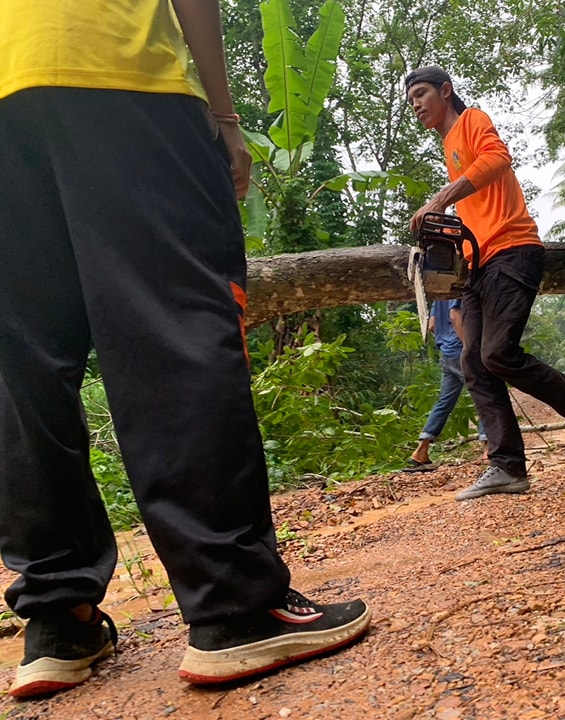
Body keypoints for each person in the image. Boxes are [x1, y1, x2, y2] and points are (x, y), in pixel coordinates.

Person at [0, 0, 370, 699]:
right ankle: (235, 609)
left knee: (21, 364)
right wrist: (224, 118)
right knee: (170, 328)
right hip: (116, 67)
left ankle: (57, 618)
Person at [405, 66, 565, 502]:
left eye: (422, 94)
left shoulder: (472, 121)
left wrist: (439, 200)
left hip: (512, 249)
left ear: (447, 90)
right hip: (479, 264)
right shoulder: (450, 145)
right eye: (411, 100)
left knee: (498, 353)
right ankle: (506, 467)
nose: (417, 105)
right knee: (475, 364)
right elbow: (477, 203)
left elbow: (499, 159)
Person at [405, 299, 486, 471]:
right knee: (484, 396)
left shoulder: (439, 298)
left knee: (444, 402)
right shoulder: (456, 290)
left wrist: (446, 340)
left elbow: (432, 325)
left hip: (446, 355)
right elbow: (455, 315)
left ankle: (421, 451)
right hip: (461, 352)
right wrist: (469, 347)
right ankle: (488, 449)